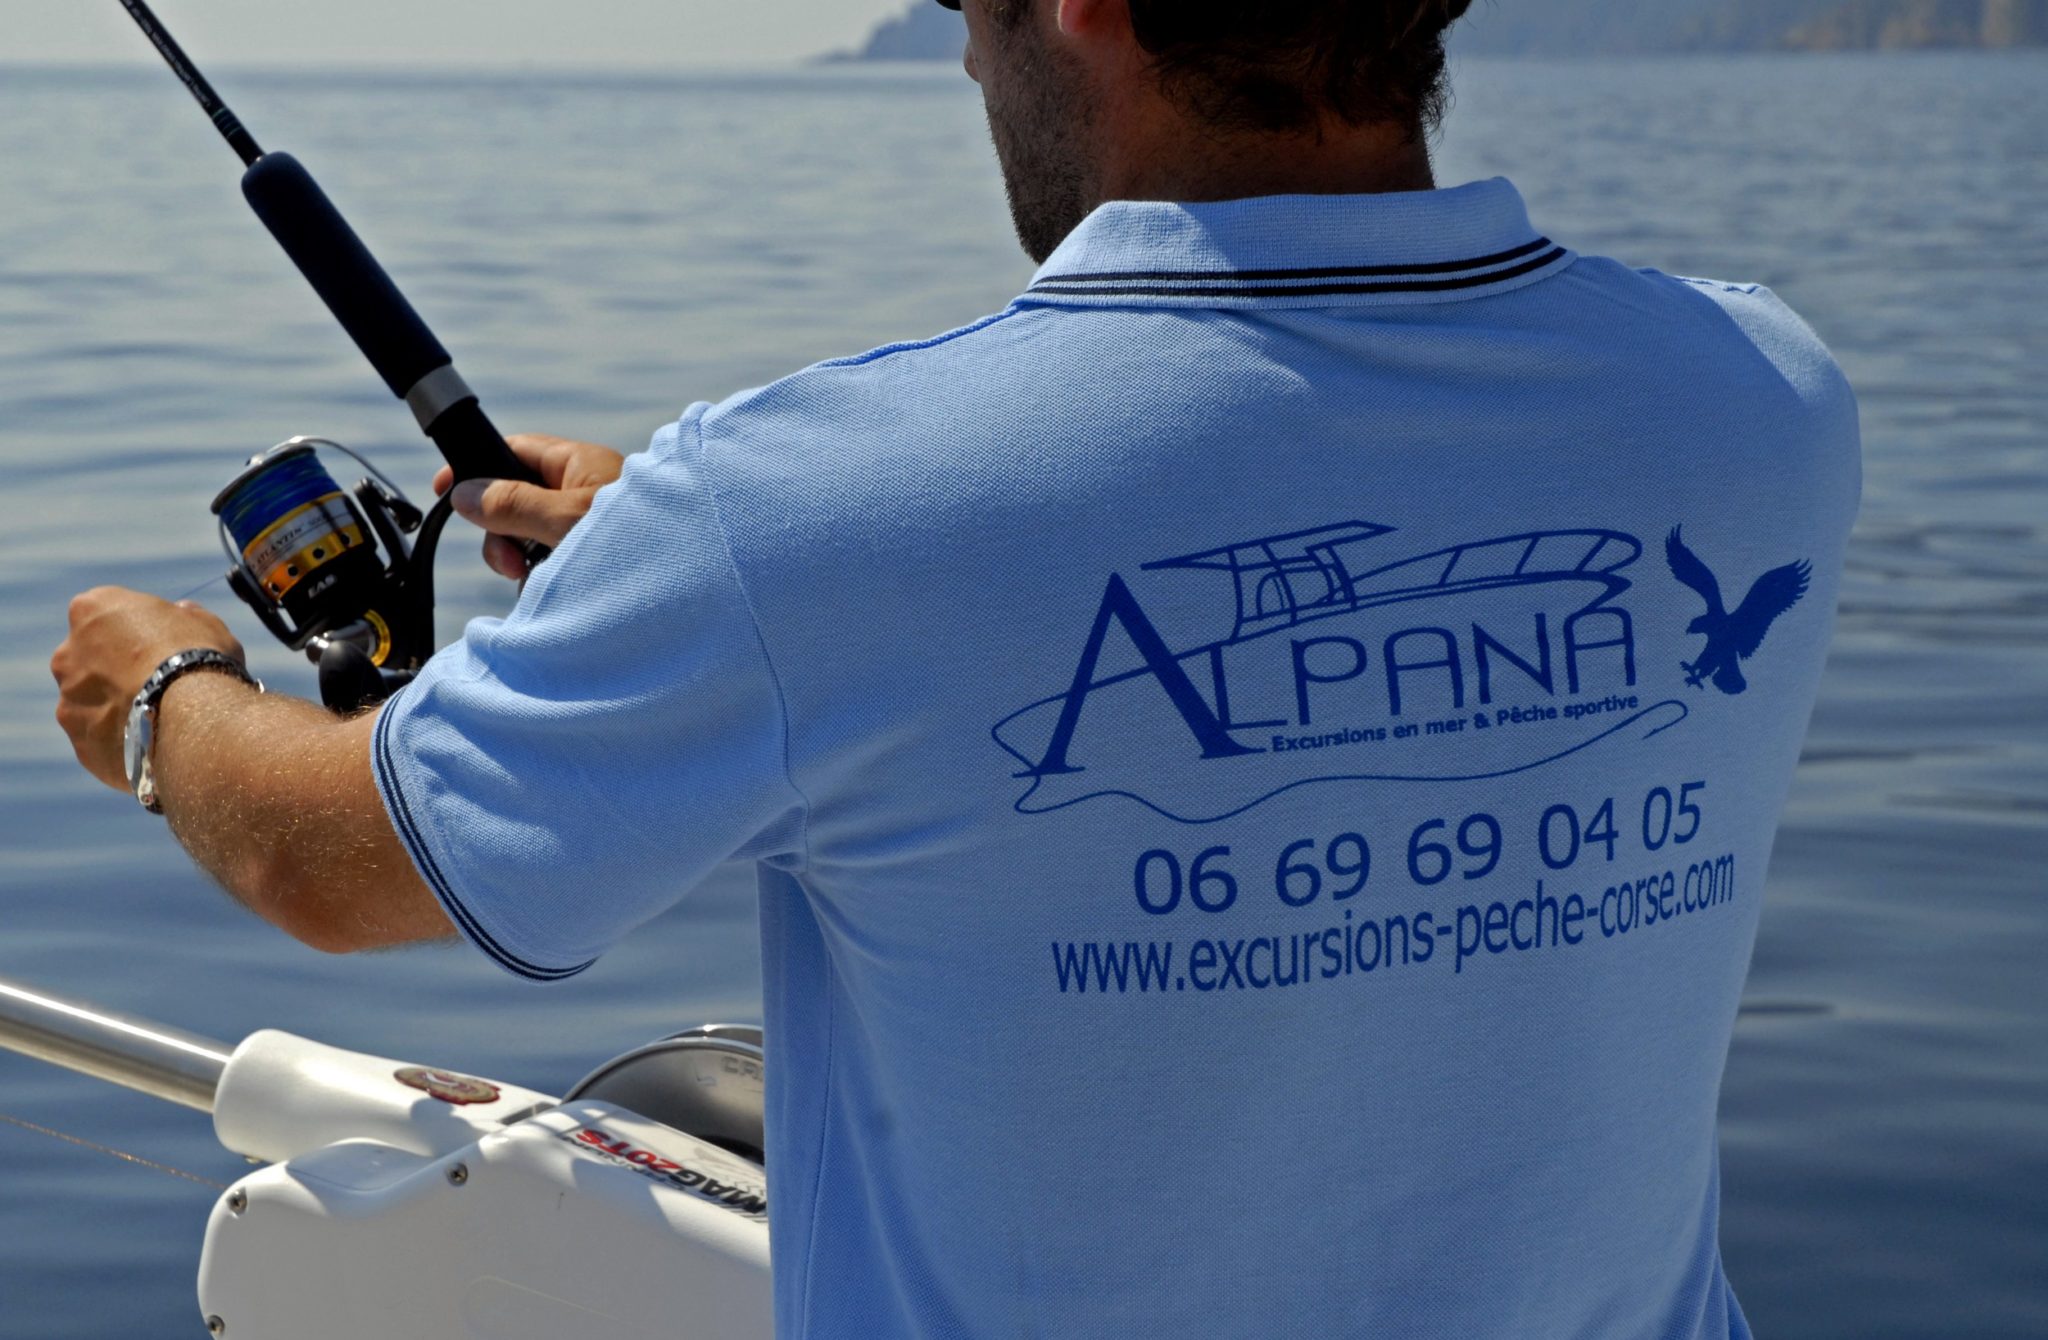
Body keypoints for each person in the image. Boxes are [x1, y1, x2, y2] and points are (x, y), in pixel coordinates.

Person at [52, 0, 1861, 1334]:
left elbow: (327, 859)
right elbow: (1271, 549)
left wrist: (166, 693)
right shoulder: (1758, 401)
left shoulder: (793, 516)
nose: (967, 56)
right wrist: (691, 577)